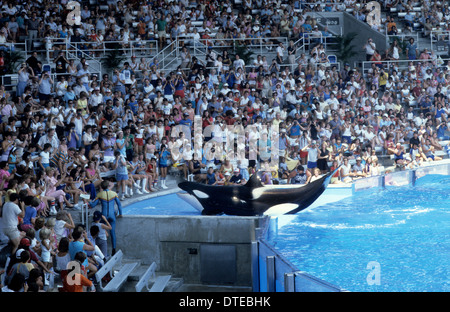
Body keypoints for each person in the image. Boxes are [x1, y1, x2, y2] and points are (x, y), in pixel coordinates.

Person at [87, 180, 122, 256]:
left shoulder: (100, 194)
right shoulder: (114, 193)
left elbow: (93, 205)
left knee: (100, 233)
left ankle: (98, 249)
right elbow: (119, 204)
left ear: (101, 187)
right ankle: (113, 250)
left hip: (103, 216)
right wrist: (120, 214)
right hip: (112, 215)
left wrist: (88, 200)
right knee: (112, 233)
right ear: (108, 186)